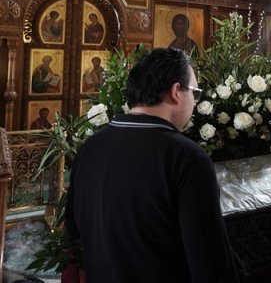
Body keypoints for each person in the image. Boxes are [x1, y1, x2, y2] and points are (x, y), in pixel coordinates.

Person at [65, 48, 239, 283]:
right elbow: (211, 268)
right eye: (195, 93)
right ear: (176, 92)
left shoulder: (90, 147)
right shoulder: (187, 158)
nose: (194, 102)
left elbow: (75, 230)